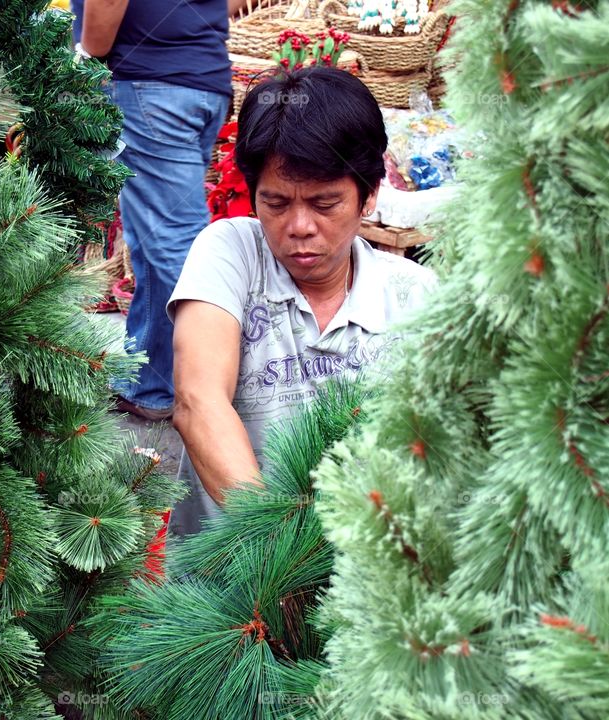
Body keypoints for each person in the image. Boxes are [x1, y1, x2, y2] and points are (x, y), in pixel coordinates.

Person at [168, 66, 438, 535]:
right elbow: (198, 400)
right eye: (275, 203)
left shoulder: (412, 295)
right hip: (231, 585)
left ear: (369, 195)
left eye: (324, 203)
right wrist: (279, 548)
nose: (298, 227)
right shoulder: (231, 252)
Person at [81, 0, 244, 420]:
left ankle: (228, 390)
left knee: (175, 248)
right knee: (154, 240)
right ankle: (152, 385)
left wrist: (88, 53)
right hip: (200, 79)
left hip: (151, 82)